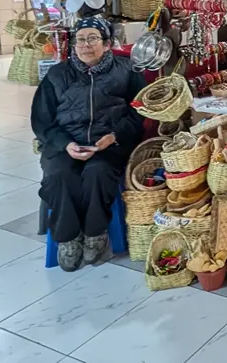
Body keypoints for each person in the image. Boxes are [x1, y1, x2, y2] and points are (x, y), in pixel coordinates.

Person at [31, 16, 146, 271]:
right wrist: (65, 144)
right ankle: (68, 238)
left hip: (108, 142)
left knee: (98, 172)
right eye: (80, 39)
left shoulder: (126, 70)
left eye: (93, 38)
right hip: (65, 143)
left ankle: (96, 235)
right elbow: (41, 121)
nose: (85, 45)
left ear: (106, 44)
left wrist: (115, 135)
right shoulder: (57, 74)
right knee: (60, 175)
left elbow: (140, 111)